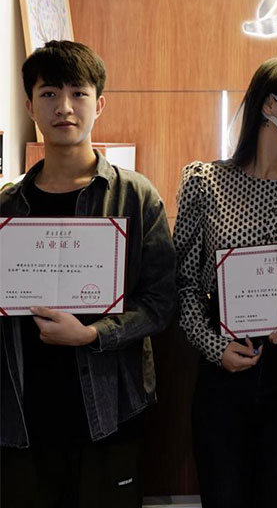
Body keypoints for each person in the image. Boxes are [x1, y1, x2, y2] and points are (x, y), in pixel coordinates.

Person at [0, 40, 177, 507]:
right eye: (49, 93)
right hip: (25, 414)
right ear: (29, 106)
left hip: (111, 408)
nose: (64, 107)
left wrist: (92, 334)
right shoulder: (7, 208)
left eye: (78, 93)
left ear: (99, 104)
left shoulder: (136, 196)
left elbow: (161, 302)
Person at [174, 57, 277, 508]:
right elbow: (182, 283)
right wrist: (214, 346)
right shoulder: (205, 181)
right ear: (270, 105)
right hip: (224, 372)